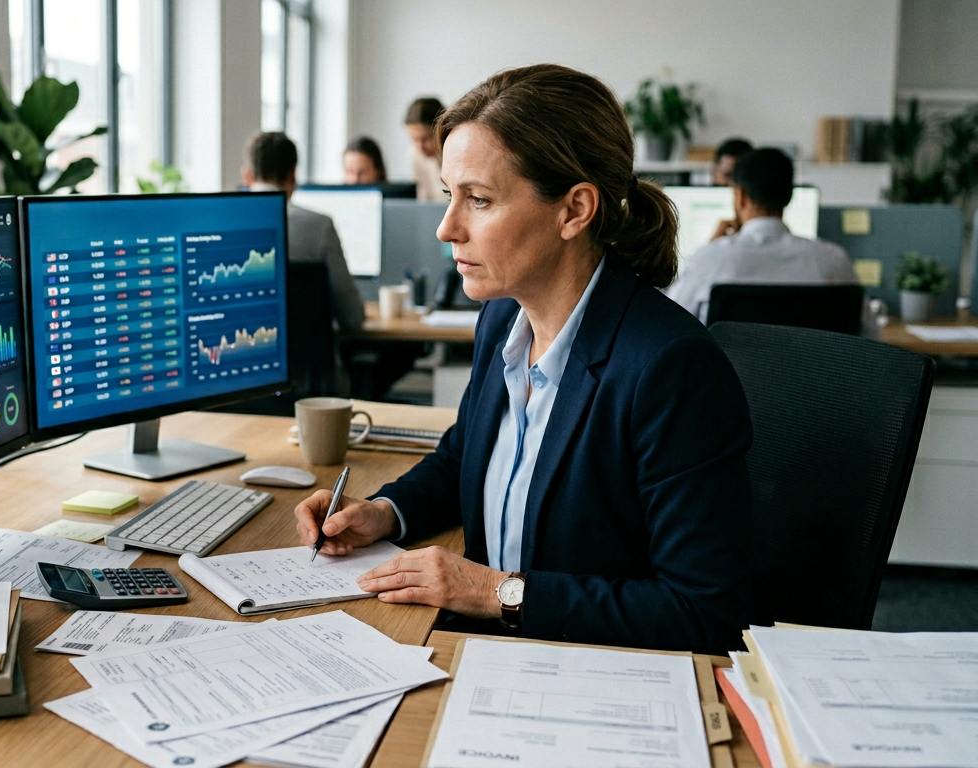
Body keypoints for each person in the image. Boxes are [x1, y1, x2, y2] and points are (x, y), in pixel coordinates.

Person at [294, 65, 753, 655]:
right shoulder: (503, 319)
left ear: (574, 210)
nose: (445, 228)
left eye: (478, 200)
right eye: (449, 196)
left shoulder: (670, 368)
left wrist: (497, 593)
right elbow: (465, 455)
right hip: (486, 653)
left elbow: (702, 611)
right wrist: (386, 512)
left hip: (583, 669)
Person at [666, 147, 875, 335]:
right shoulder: (834, 261)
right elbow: (871, 338)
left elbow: (668, 324)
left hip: (728, 378)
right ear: (789, 197)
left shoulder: (710, 259)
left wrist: (709, 251)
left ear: (740, 197)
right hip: (813, 378)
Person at [241, 131, 364, 333]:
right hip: (311, 363)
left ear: (247, 176)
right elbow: (352, 317)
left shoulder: (221, 228)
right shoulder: (319, 226)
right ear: (293, 174)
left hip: (248, 359)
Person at [405, 97, 449, 202]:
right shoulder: (415, 155)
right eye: (414, 140)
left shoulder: (458, 155)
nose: (420, 147)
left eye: (426, 139)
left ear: (443, 129)